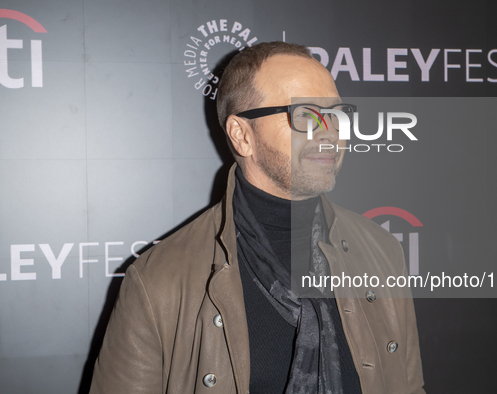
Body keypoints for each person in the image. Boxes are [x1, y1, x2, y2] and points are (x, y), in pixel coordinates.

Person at [89, 41, 425, 394]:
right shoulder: (159, 281)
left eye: (337, 114)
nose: (330, 132)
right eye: (306, 115)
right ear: (242, 135)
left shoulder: (380, 251)